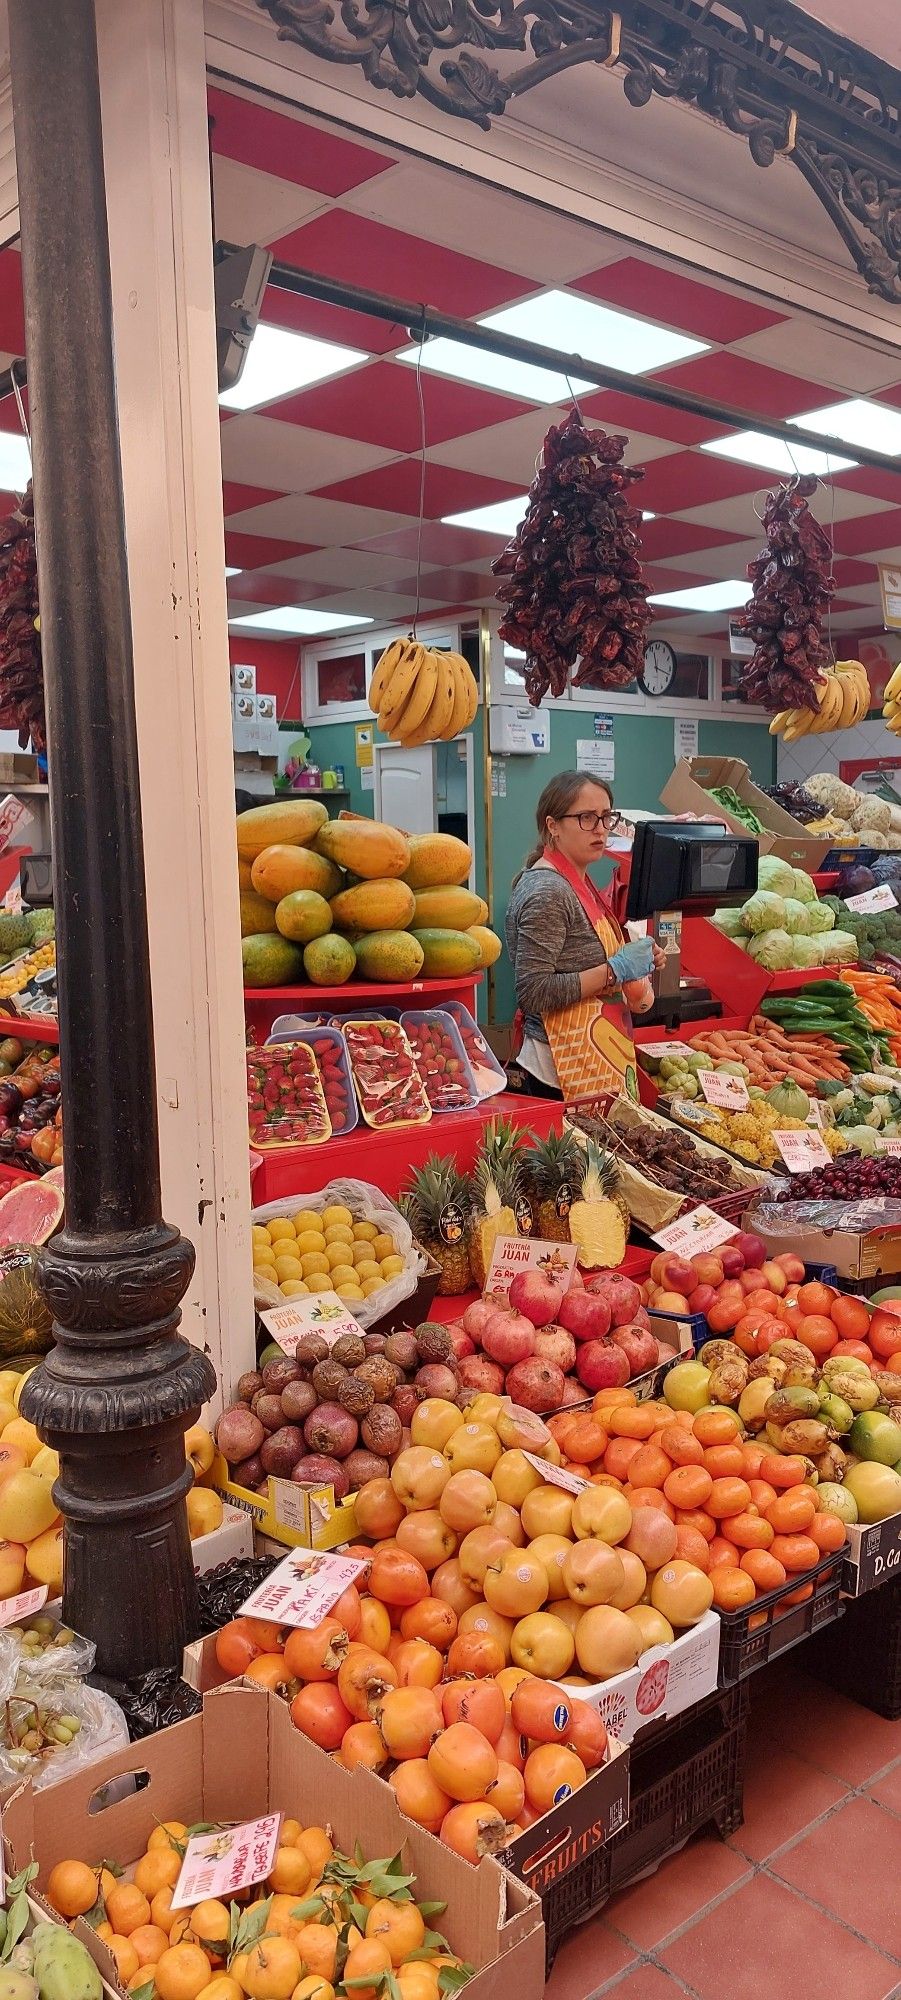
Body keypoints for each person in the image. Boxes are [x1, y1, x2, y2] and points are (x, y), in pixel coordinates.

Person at [505, 770, 664, 1098]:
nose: (601, 830)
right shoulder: (548, 890)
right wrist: (615, 970)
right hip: (557, 1071)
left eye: (606, 817)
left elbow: (576, 953)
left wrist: (635, 960)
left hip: (592, 1053)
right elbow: (533, 991)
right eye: (586, 818)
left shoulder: (579, 881)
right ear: (552, 826)